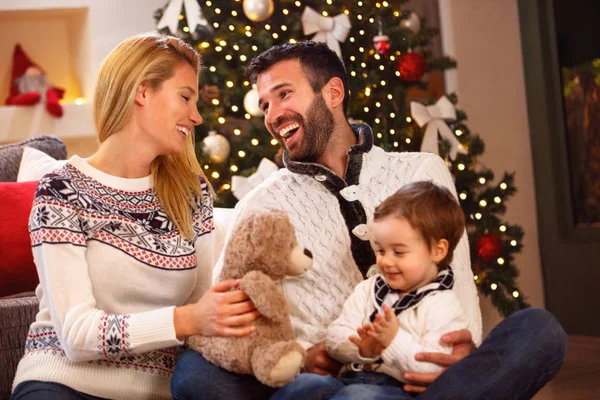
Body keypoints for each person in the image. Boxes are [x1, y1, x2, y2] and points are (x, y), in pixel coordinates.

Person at [171, 41, 566, 400]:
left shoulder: (421, 169)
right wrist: (301, 355)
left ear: (333, 93)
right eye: (265, 105)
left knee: (540, 332)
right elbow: (228, 311)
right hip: (322, 381)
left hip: (423, 369)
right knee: (196, 376)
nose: (273, 115)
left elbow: (456, 275)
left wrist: (459, 348)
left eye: (284, 95)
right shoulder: (261, 203)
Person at [10, 34, 259, 400]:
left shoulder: (193, 195)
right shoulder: (62, 189)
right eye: (185, 97)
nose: (196, 116)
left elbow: (209, 308)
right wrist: (185, 319)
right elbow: (77, 335)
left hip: (161, 390)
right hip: (62, 383)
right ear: (142, 92)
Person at [273, 181, 470, 399]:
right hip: (348, 379)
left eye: (399, 252)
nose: (386, 261)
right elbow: (334, 337)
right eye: (381, 250)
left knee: (358, 397)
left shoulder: (443, 304)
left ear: (437, 250)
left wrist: (392, 341)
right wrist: (363, 349)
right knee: (304, 385)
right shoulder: (368, 290)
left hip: (398, 391)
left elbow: (433, 368)